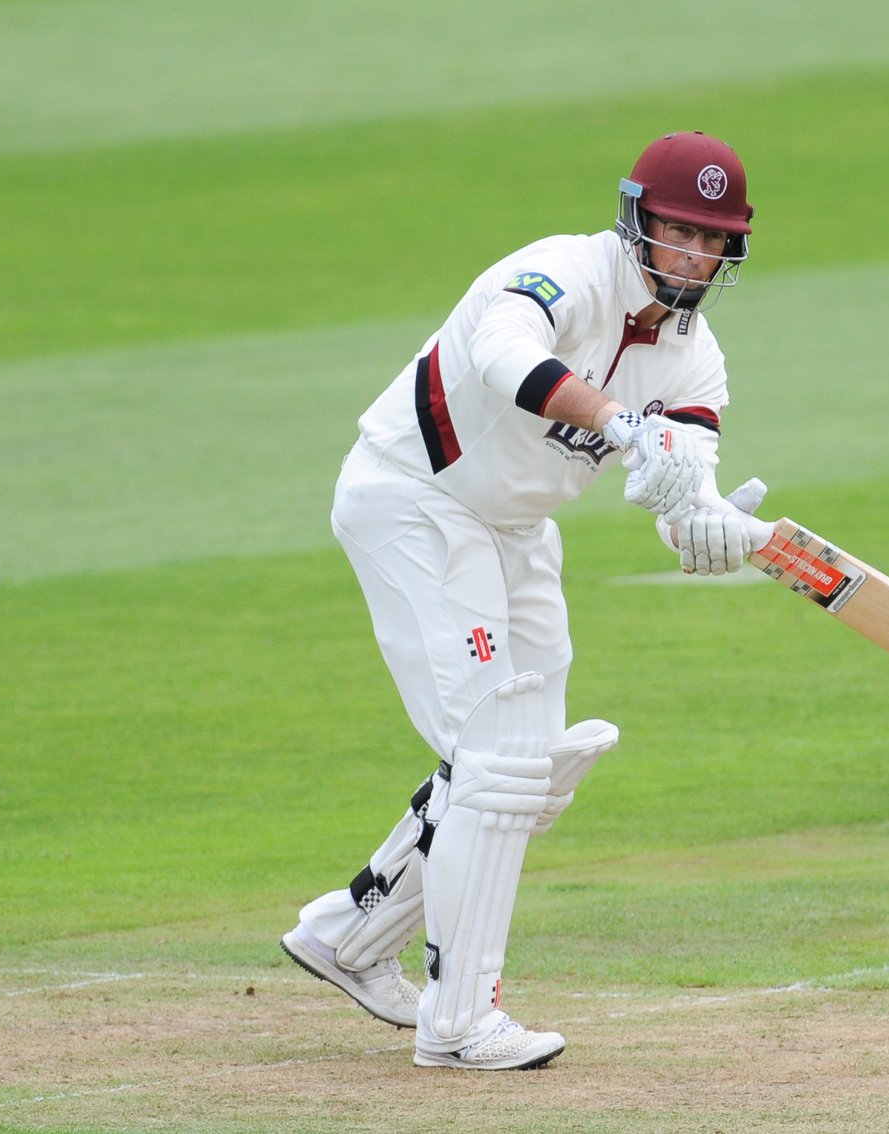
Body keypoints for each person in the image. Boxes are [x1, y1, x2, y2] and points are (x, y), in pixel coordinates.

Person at [281, 131, 764, 1071]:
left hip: (515, 530)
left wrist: (707, 528)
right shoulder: (562, 272)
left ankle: (350, 935)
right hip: (417, 498)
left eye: (714, 240)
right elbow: (503, 355)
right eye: (679, 231)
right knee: (495, 761)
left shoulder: (696, 361)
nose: (694, 255)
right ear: (638, 221)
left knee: (533, 772)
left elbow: (682, 486)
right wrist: (623, 424)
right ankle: (460, 1022)